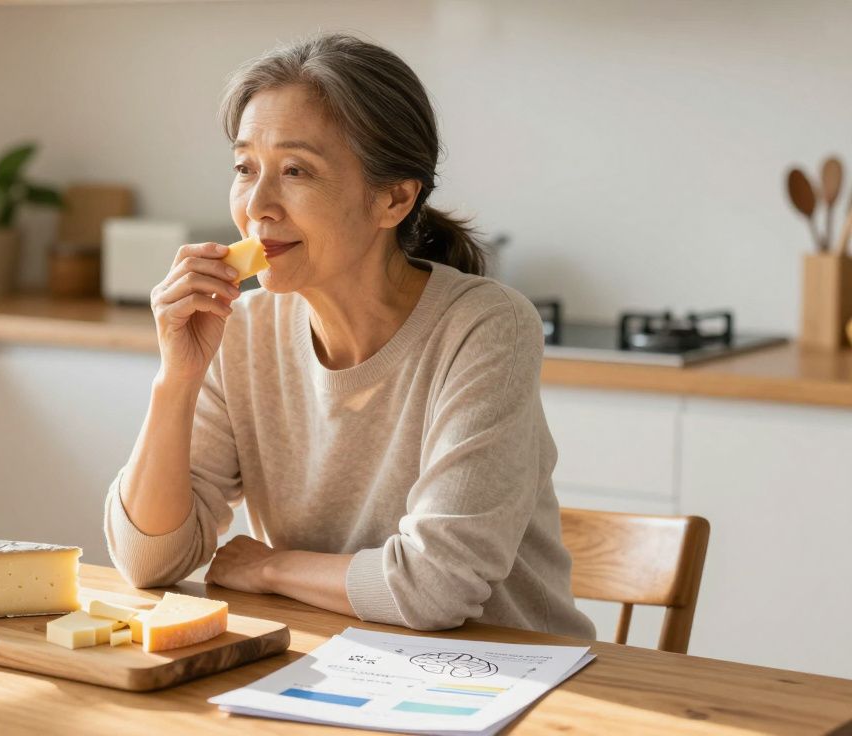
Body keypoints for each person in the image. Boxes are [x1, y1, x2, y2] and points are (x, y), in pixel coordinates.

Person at [102, 32, 595, 638]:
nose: (257, 205)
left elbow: (437, 587)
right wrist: (175, 377)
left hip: (507, 680)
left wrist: (271, 568)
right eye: (244, 168)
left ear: (393, 198)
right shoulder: (240, 329)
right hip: (332, 667)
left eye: (296, 171)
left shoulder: (486, 327)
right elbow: (148, 561)